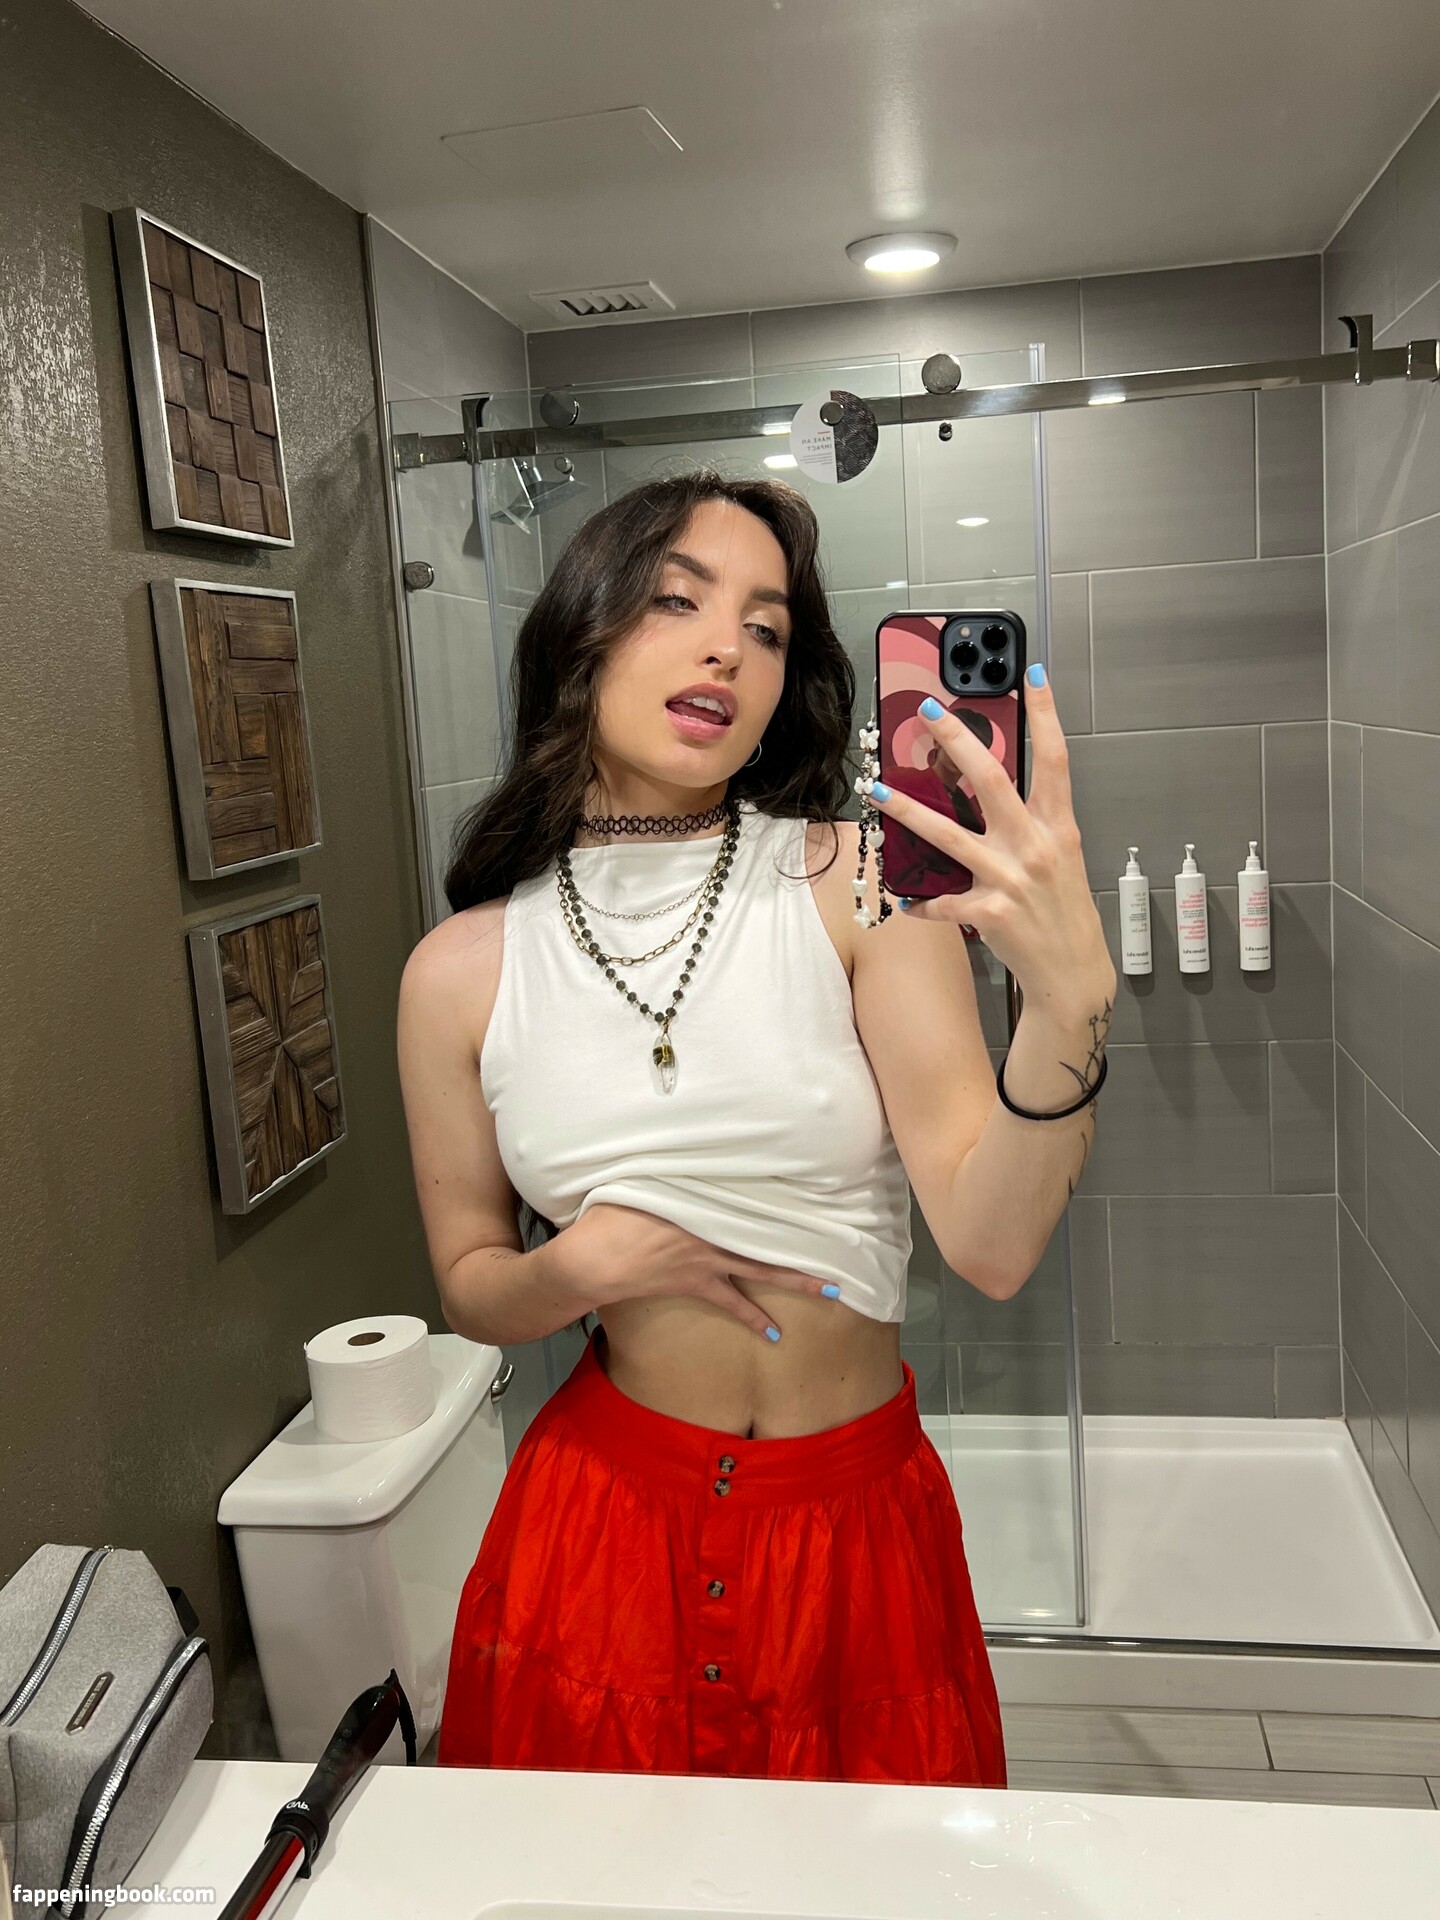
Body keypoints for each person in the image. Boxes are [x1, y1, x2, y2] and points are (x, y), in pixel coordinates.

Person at [396, 469, 1116, 1785]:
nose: (729, 646)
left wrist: (1069, 1001)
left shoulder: (855, 883)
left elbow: (995, 1246)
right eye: (678, 600)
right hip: (597, 1541)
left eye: (768, 627)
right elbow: (471, 1288)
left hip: (854, 1538)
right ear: (582, 632)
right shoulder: (459, 971)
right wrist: (576, 1269)